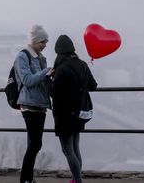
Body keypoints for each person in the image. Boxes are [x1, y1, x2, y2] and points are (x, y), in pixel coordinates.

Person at [51, 35, 97, 183]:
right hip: (79, 113)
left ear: (59, 52)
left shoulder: (62, 68)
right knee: (75, 147)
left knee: (67, 149)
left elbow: (53, 92)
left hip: (64, 114)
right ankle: (76, 179)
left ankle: (78, 181)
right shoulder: (82, 64)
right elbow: (93, 85)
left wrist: (47, 80)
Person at [14, 25, 54, 183]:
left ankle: (28, 179)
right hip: (29, 104)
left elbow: (41, 80)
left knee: (35, 144)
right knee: (35, 143)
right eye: (43, 41)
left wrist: (50, 76)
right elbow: (27, 80)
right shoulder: (23, 56)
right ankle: (25, 179)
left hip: (40, 105)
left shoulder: (40, 57)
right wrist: (46, 72)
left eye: (47, 41)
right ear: (35, 40)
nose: (45, 44)